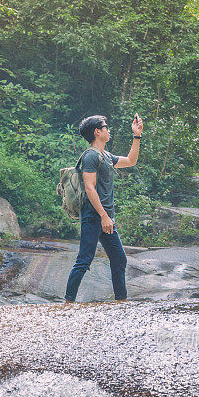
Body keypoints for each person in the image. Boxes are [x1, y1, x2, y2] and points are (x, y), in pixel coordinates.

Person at [64, 113, 143, 303]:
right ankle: (67, 303)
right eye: (105, 127)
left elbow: (131, 161)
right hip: (94, 216)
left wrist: (137, 135)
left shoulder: (106, 156)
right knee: (84, 260)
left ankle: (120, 302)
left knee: (119, 259)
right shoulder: (91, 156)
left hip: (105, 217)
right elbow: (89, 187)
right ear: (97, 132)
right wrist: (103, 215)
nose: (109, 130)